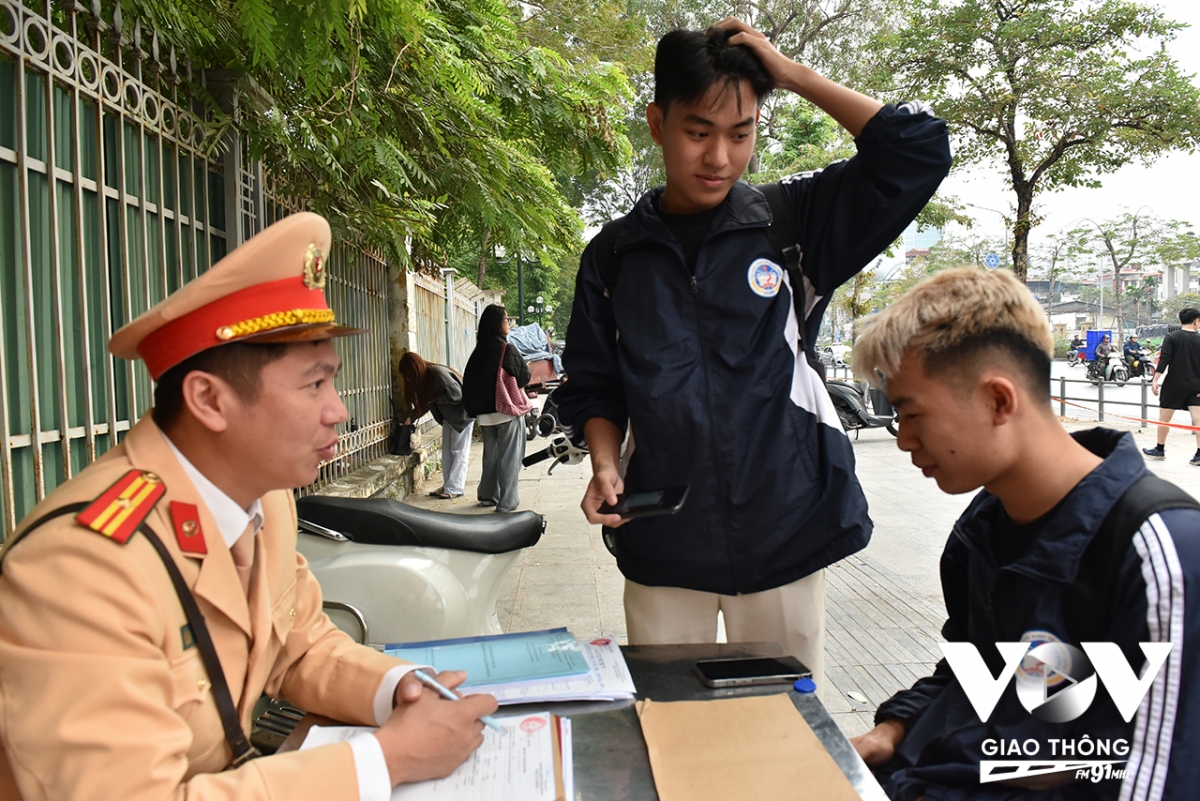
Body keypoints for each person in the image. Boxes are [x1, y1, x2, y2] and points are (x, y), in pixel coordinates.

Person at [0, 214, 498, 800]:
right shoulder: (83, 567)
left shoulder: (264, 501)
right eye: (314, 385)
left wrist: (401, 688)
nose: (338, 411)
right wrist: (383, 762)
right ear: (209, 400)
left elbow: (300, 643)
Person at [551, 18, 951, 691]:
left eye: (741, 133)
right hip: (664, 538)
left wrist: (790, 73)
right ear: (657, 122)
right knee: (672, 724)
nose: (719, 157)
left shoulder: (793, 224)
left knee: (786, 729)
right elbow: (595, 384)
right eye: (698, 131)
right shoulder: (615, 255)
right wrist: (602, 463)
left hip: (787, 530)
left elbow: (917, 148)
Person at [848, 268, 1200, 800]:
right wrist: (891, 730)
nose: (905, 441)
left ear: (998, 400)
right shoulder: (984, 528)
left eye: (911, 414)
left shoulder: (1161, 552)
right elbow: (989, 669)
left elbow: (1153, 779)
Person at [463, 305, 530, 512]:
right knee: (510, 455)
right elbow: (524, 376)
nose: (508, 323)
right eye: (506, 319)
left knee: (490, 454)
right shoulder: (506, 349)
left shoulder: (477, 352)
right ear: (497, 324)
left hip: (485, 414)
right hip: (506, 411)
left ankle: (487, 494)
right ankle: (508, 501)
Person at [398, 351, 474, 499]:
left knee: (459, 452)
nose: (408, 379)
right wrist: (411, 417)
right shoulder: (426, 379)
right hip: (448, 418)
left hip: (462, 416)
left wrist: (434, 398)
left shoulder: (437, 373)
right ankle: (448, 486)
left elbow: (457, 395)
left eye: (408, 375)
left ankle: (455, 488)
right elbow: (426, 404)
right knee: (447, 453)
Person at [1141, 308, 1200, 465]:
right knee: (1198, 421)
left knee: (1164, 420)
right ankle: (1199, 455)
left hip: (1173, 386)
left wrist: (1155, 379)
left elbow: (1164, 359)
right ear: (1197, 321)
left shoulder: (1171, 337)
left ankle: (1159, 450)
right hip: (1196, 387)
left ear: (1180, 321)